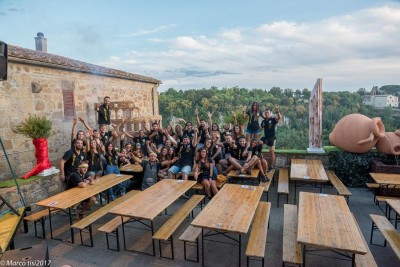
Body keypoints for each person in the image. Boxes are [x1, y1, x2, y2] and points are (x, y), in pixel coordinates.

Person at [261, 106, 281, 172]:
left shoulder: (272, 119)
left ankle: (271, 166)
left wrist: (277, 111)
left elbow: (279, 118)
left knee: (271, 153)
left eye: (268, 113)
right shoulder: (263, 121)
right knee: (257, 145)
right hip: (265, 137)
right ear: (264, 114)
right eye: (266, 113)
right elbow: (260, 129)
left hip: (272, 138)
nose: (267, 114)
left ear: (270, 113)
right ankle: (261, 161)